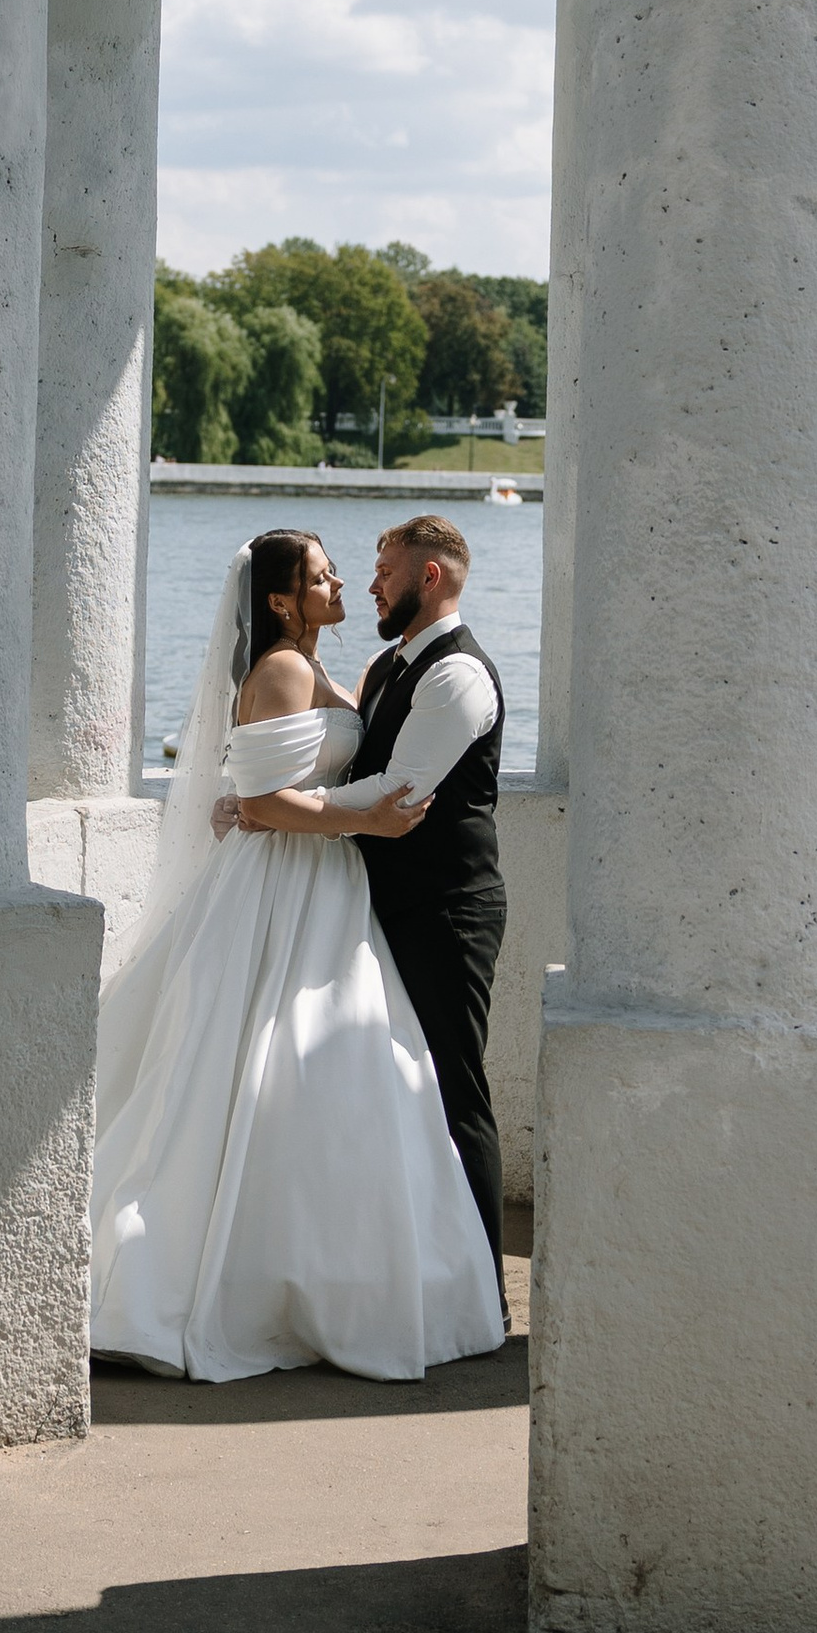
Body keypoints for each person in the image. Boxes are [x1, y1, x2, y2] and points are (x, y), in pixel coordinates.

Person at [88, 525, 507, 1382]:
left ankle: (332, 1267)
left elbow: (293, 786)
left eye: (355, 570)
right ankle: (236, 1275)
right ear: (281, 599)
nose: (348, 579)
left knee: (342, 1083)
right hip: (285, 886)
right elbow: (265, 796)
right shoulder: (284, 669)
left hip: (341, 888)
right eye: (323, 574)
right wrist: (326, 815)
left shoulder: (371, 670)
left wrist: (282, 807)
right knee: (253, 1071)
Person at [229, 512, 507, 1281]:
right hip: (364, 901)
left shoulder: (458, 674)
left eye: (383, 570)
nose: (367, 582)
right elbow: (340, 777)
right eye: (344, 572)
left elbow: (396, 793)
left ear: (429, 577)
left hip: (447, 908)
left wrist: (268, 805)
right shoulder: (385, 668)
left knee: (452, 1088)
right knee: (385, 1087)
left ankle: (483, 1284)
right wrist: (255, 798)